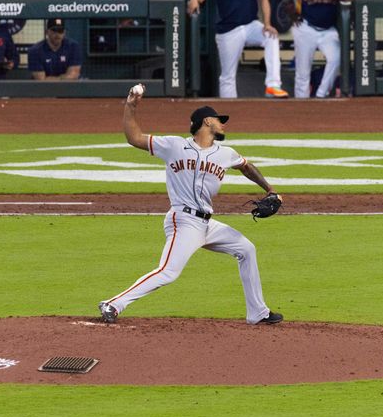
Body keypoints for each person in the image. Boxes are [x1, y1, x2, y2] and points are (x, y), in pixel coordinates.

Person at [97, 95, 284, 326]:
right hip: (183, 220)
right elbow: (134, 138)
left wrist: (270, 190)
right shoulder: (174, 145)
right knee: (168, 272)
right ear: (207, 122)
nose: (223, 124)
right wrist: (130, 107)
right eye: (219, 120)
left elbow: (245, 166)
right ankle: (114, 304)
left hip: (207, 224)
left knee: (246, 249)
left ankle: (258, 312)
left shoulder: (226, 153)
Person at [187, 0, 286, 99]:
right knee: (227, 76)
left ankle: (273, 86)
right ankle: (230, 109)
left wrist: (267, 24)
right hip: (228, 30)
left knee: (271, 37)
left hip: (250, 24)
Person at [278, 0, 357, 99]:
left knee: (336, 59)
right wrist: (290, 7)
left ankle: (321, 96)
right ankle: (301, 104)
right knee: (303, 72)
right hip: (306, 27)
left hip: (328, 29)